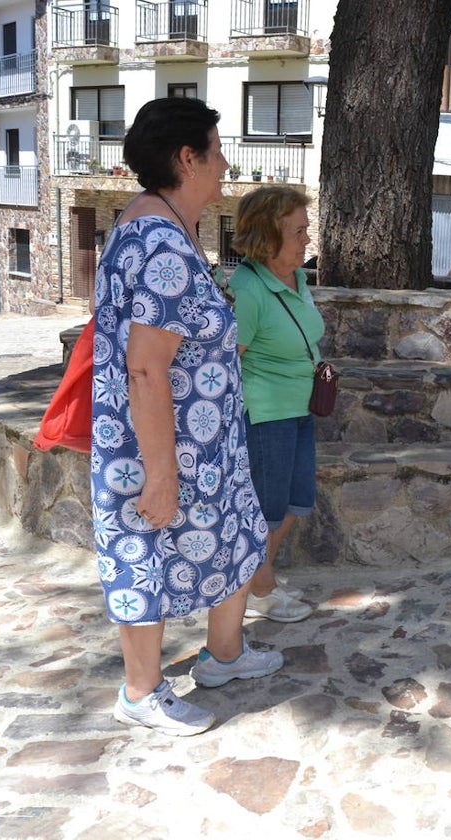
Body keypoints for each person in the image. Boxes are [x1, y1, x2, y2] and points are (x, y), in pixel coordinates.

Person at [91, 97, 282, 737]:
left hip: (204, 447)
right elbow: (146, 367)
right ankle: (142, 691)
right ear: (187, 158)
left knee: (237, 533)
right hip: (163, 448)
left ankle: (225, 655)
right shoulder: (159, 243)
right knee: (141, 549)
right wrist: (161, 472)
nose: (226, 164)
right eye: (217, 150)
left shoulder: (155, 229)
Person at [229, 186, 320, 623]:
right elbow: (231, 362)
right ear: (268, 236)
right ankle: (258, 589)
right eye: (299, 231)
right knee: (265, 511)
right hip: (266, 415)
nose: (308, 240)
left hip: (298, 409)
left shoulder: (297, 278)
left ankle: (255, 581)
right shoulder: (247, 289)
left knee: (293, 503)